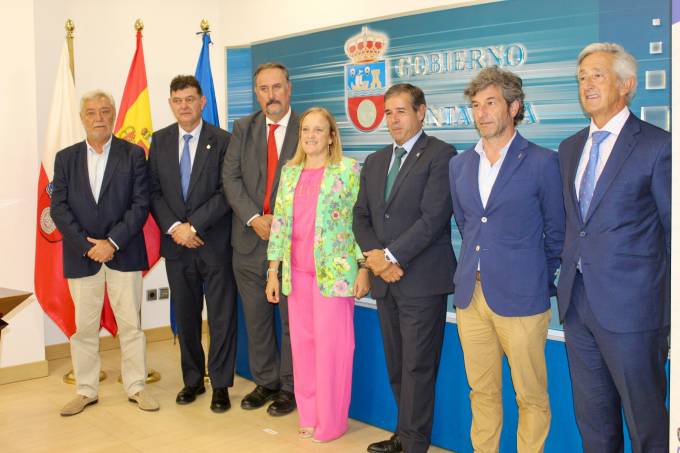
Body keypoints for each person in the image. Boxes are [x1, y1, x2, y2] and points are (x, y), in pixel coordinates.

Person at [557, 42, 671, 453]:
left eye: (597, 75)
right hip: (577, 304)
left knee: (645, 425)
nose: (587, 84)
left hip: (634, 310)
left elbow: (673, 232)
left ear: (626, 84)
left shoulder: (658, 146)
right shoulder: (570, 148)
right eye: (581, 77)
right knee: (594, 424)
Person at [449, 67, 564, 453]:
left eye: (491, 103)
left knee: (530, 396)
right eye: (476, 105)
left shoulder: (542, 162)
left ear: (514, 107)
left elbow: (557, 233)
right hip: (471, 297)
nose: (481, 113)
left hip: (522, 299)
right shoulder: (459, 165)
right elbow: (468, 224)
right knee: (481, 392)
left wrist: (533, 277)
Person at [353, 83, 457, 453]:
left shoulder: (441, 155)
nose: (394, 119)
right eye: (388, 113)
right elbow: (361, 217)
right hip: (386, 281)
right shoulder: (376, 161)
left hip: (422, 281)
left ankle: (413, 443)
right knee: (397, 363)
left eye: (401, 111)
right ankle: (404, 433)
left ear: (420, 112)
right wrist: (376, 261)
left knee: (418, 366)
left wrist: (390, 258)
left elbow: (433, 219)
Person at [264, 107, 370, 442]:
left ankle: (332, 421)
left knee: (332, 351)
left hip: (334, 276)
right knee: (304, 349)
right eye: (305, 130)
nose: (311, 136)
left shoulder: (348, 170)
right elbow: (279, 224)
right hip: (296, 276)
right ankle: (309, 415)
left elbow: (360, 222)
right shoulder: (290, 172)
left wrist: (364, 267)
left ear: (331, 136)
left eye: (318, 130)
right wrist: (273, 271)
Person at [51, 90, 158, 415]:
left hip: (123, 253)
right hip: (82, 256)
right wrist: (89, 247)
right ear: (82, 118)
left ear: (113, 115)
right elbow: (59, 208)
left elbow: (140, 204)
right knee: (84, 329)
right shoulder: (65, 158)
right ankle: (86, 390)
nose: (99, 118)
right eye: (91, 112)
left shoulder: (133, 154)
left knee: (131, 326)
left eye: (105, 111)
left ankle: (136, 386)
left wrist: (111, 243)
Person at [148, 75, 235, 413]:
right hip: (177, 246)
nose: (184, 105)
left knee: (221, 318)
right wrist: (176, 228)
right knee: (186, 317)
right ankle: (193, 379)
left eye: (189, 99)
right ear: (171, 104)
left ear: (202, 102)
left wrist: (193, 225)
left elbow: (226, 191)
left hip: (213, 243)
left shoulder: (222, 140)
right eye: (177, 100)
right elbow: (154, 192)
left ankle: (221, 384)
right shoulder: (160, 140)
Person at [223, 63, 299, 416]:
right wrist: (254, 218)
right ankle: (266, 381)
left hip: (293, 246)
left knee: (291, 322)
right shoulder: (243, 128)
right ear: (257, 94)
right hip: (249, 240)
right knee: (256, 320)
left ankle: (290, 387)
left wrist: (280, 224)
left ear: (289, 88)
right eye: (264, 89)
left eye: (277, 87)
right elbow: (230, 178)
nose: (271, 95)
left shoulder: (308, 127)